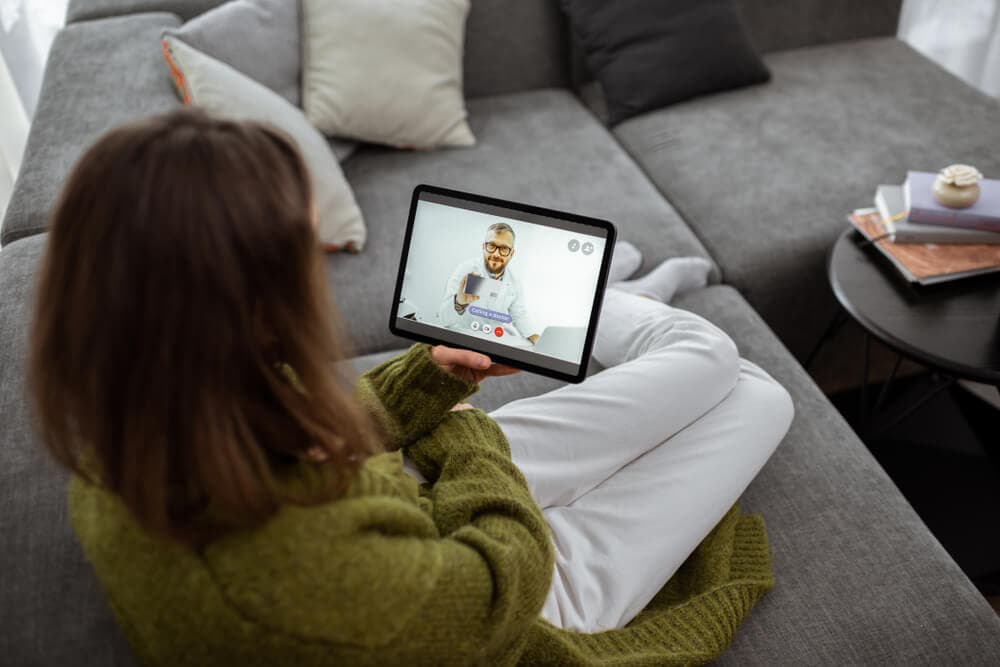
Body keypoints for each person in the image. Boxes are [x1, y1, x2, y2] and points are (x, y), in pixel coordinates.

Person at [29, 109, 794, 665]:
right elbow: (504, 579)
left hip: (414, 498)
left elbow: (295, 431)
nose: (321, 271)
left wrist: (425, 378)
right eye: (310, 253)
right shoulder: (306, 592)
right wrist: (462, 426)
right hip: (527, 593)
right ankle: (596, 302)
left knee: (715, 365)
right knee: (753, 387)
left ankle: (595, 302)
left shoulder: (129, 413)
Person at [437, 222, 541, 343]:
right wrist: (459, 303)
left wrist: (537, 340)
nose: (496, 254)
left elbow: (519, 316)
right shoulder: (466, 270)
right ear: (483, 247)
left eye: (504, 249)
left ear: (512, 254)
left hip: (492, 342)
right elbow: (444, 319)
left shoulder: (514, 283)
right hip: (461, 339)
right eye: (491, 246)